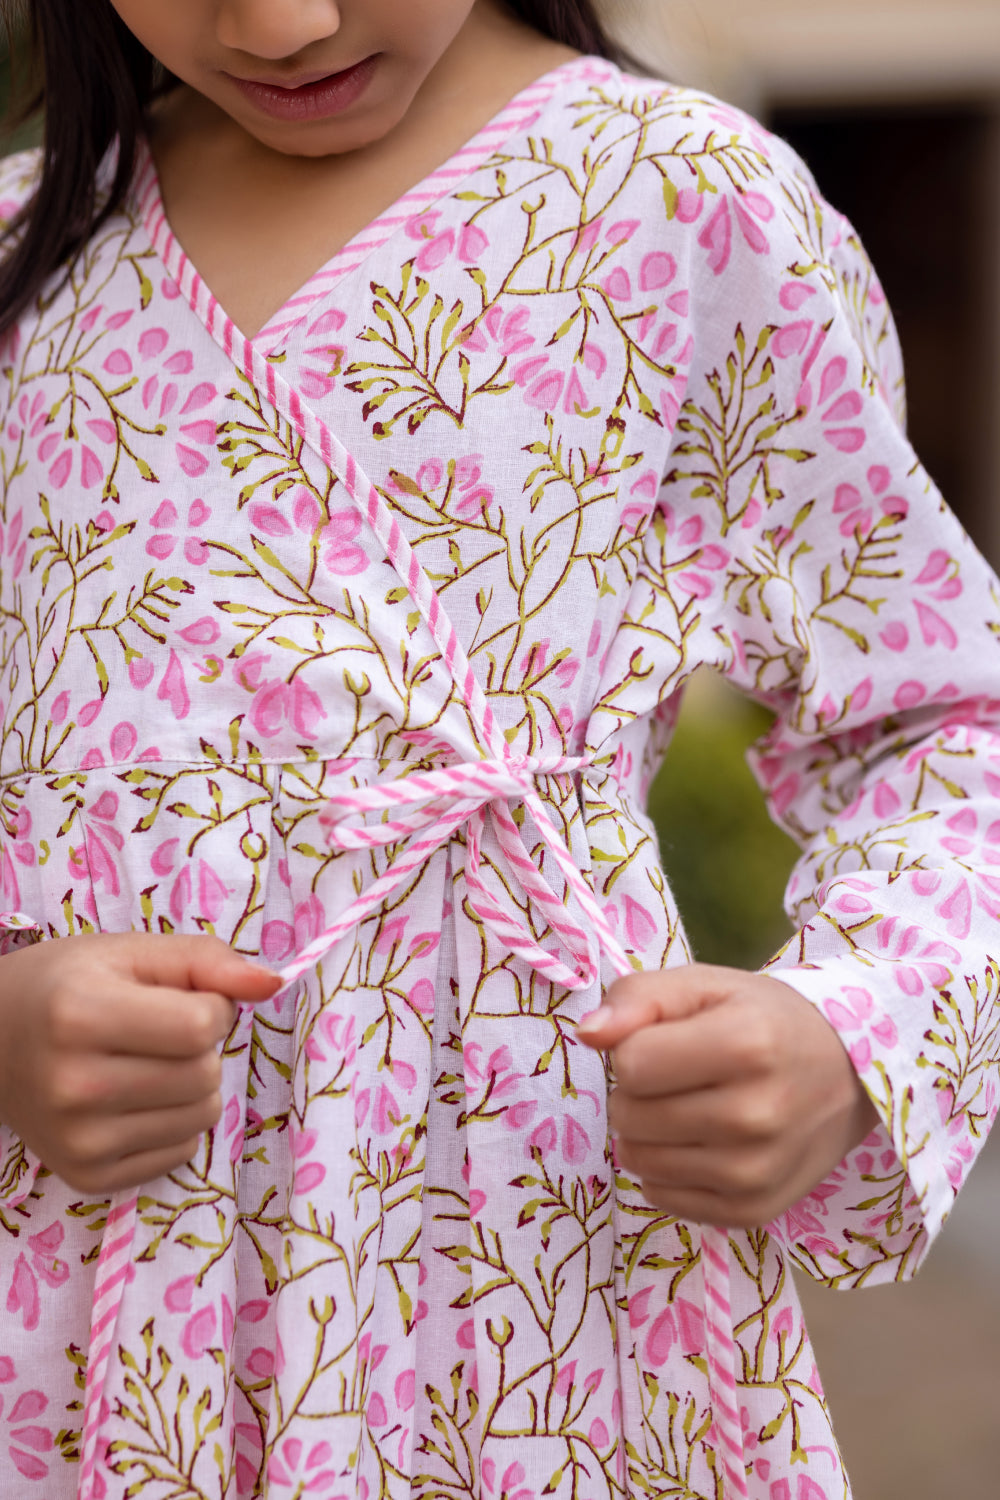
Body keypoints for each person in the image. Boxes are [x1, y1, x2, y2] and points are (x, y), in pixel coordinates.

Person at [0, 1, 996, 1496]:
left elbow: (948, 716)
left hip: (549, 1269)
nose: (285, 19)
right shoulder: (27, 266)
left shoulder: (681, 208)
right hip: (103, 1308)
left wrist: (847, 1030)